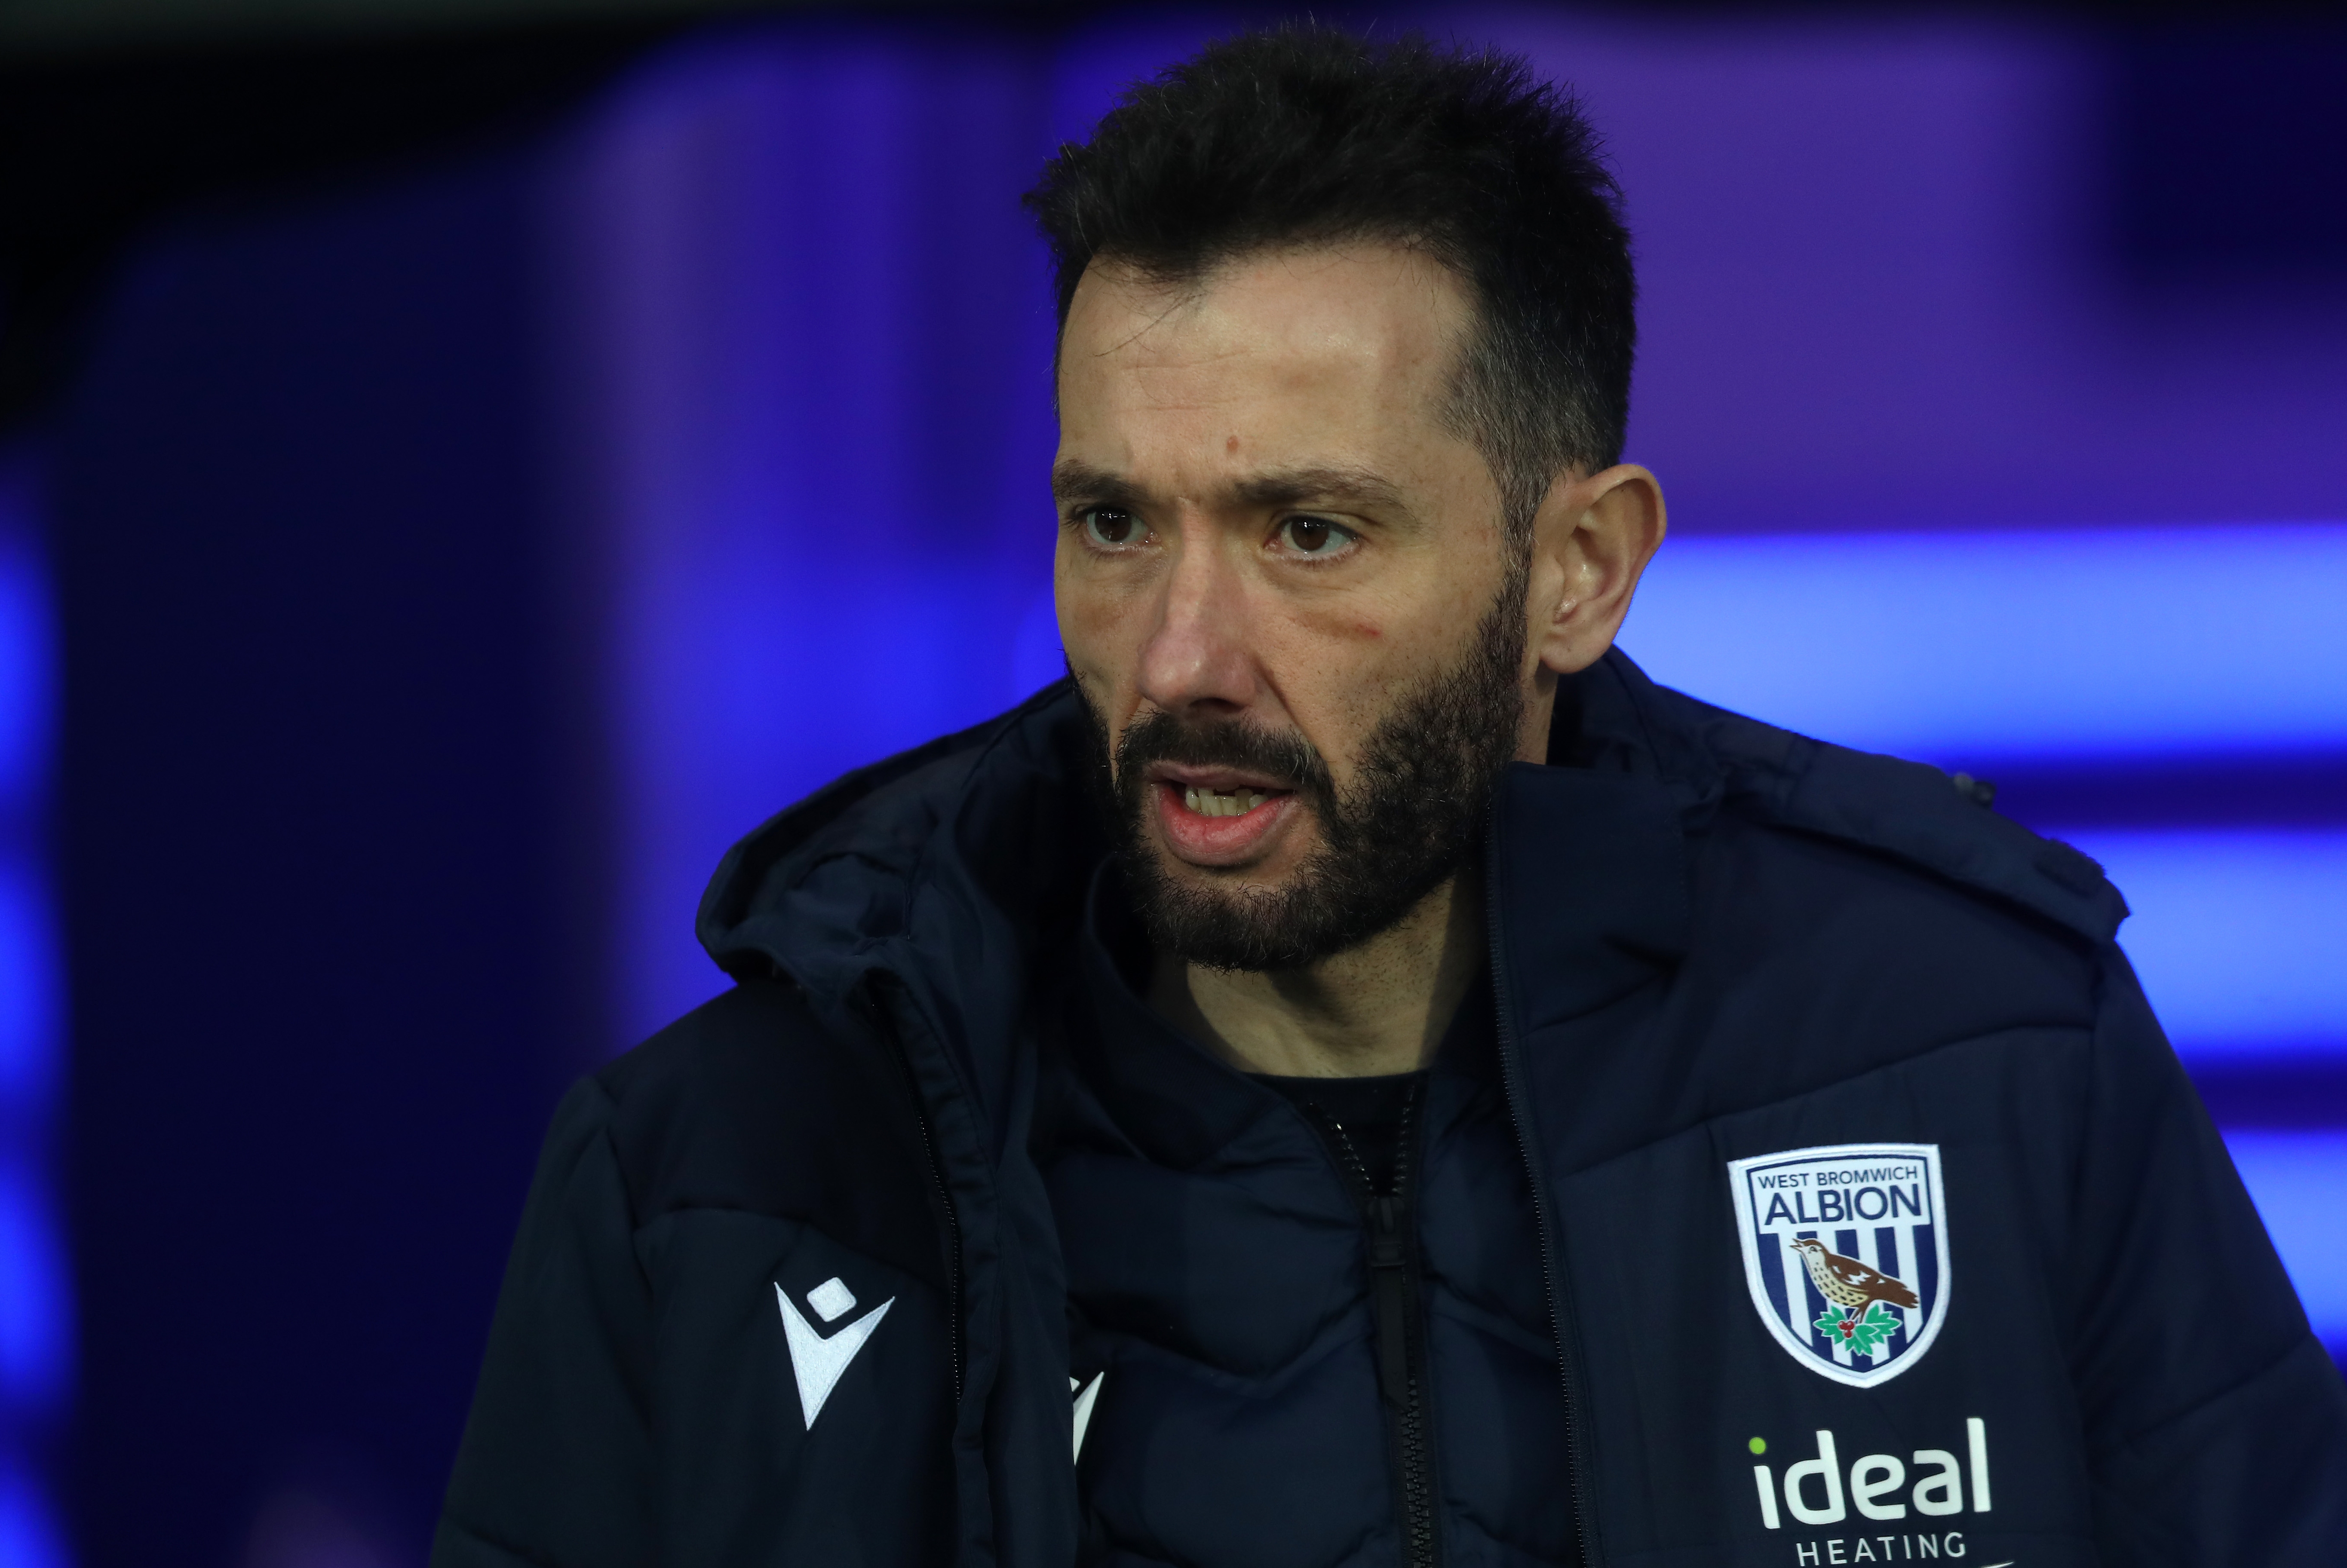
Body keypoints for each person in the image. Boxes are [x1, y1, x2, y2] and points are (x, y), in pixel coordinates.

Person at [433, 27, 2347, 1568]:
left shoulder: (1979, 1043)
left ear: (1578, 571)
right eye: (1114, 522)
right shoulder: (723, 1182)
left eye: (1311, 532)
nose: (1182, 655)